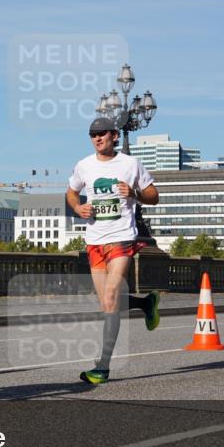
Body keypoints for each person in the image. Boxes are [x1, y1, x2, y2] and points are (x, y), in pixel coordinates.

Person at [66, 117, 161, 385]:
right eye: (93, 134)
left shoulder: (130, 164)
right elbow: (71, 193)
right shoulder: (84, 165)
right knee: (108, 303)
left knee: (110, 298)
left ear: (115, 136)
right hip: (95, 241)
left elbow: (154, 196)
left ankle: (103, 366)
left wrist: (134, 193)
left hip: (122, 239)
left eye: (102, 134)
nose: (97, 138)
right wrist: (77, 208)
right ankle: (145, 303)